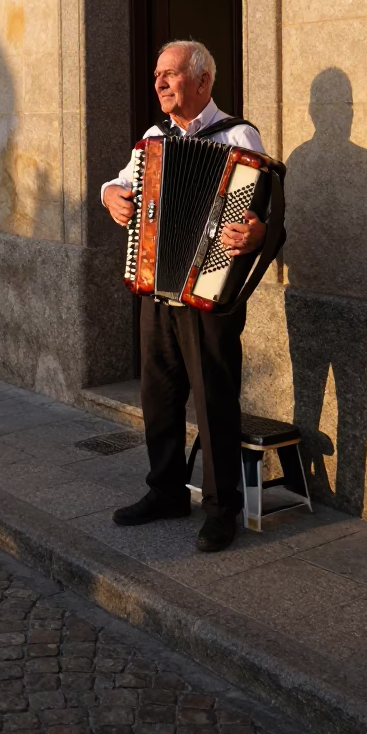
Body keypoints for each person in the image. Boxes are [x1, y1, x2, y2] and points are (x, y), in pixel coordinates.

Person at [101, 39, 267, 552]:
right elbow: (119, 184)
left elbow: (264, 213)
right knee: (159, 394)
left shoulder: (240, 135)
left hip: (211, 291)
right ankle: (166, 491)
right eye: (158, 75)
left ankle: (222, 510)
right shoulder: (153, 137)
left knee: (215, 398)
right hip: (158, 287)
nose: (160, 83)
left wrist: (255, 235)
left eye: (170, 74)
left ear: (202, 81)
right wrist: (110, 195)